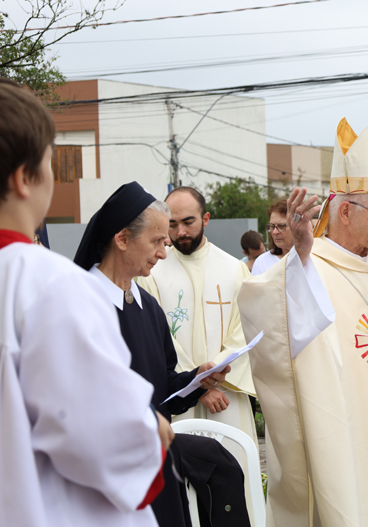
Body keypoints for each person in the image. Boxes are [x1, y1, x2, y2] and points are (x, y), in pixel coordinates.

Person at [237, 116, 368, 527]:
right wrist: (299, 255)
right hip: (345, 439)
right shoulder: (308, 269)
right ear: (347, 211)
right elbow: (268, 320)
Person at [0, 79, 169, 526]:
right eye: (50, 163)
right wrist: (149, 431)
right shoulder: (48, 284)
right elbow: (101, 437)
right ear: (23, 178)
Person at [73, 182, 245, 527]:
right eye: (156, 242)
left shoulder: (147, 306)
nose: (164, 253)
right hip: (110, 473)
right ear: (122, 239)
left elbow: (161, 386)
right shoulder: (79, 302)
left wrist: (197, 380)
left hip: (158, 462)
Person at [137, 187, 257, 442]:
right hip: (178, 398)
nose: (180, 232)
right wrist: (194, 385)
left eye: (188, 222)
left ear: (205, 219)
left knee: (234, 461)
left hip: (226, 394)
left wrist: (211, 380)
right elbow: (154, 337)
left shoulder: (234, 269)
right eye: (172, 224)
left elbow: (245, 332)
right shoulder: (151, 273)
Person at [252, 199, 294, 275]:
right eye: (272, 226)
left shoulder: (313, 259)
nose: (275, 232)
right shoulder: (262, 262)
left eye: (281, 226)